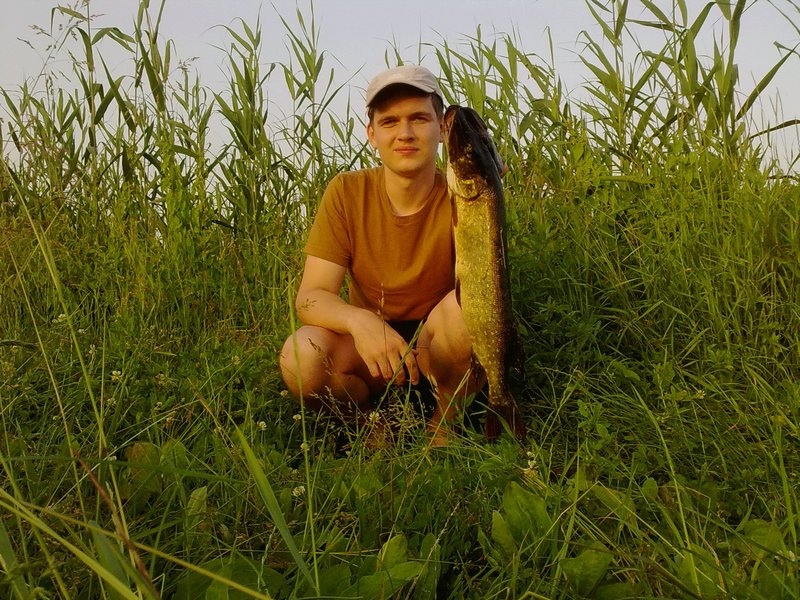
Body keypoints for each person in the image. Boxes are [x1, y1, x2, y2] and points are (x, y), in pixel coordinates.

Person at [279, 64, 479, 447]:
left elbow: (487, 288)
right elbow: (311, 297)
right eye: (389, 122)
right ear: (372, 134)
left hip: (440, 347)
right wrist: (360, 321)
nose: (405, 133)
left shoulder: (464, 193)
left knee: (469, 307)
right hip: (372, 352)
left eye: (419, 118)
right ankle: (371, 426)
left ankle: (444, 427)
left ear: (442, 129)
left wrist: (485, 180)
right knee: (300, 357)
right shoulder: (346, 192)